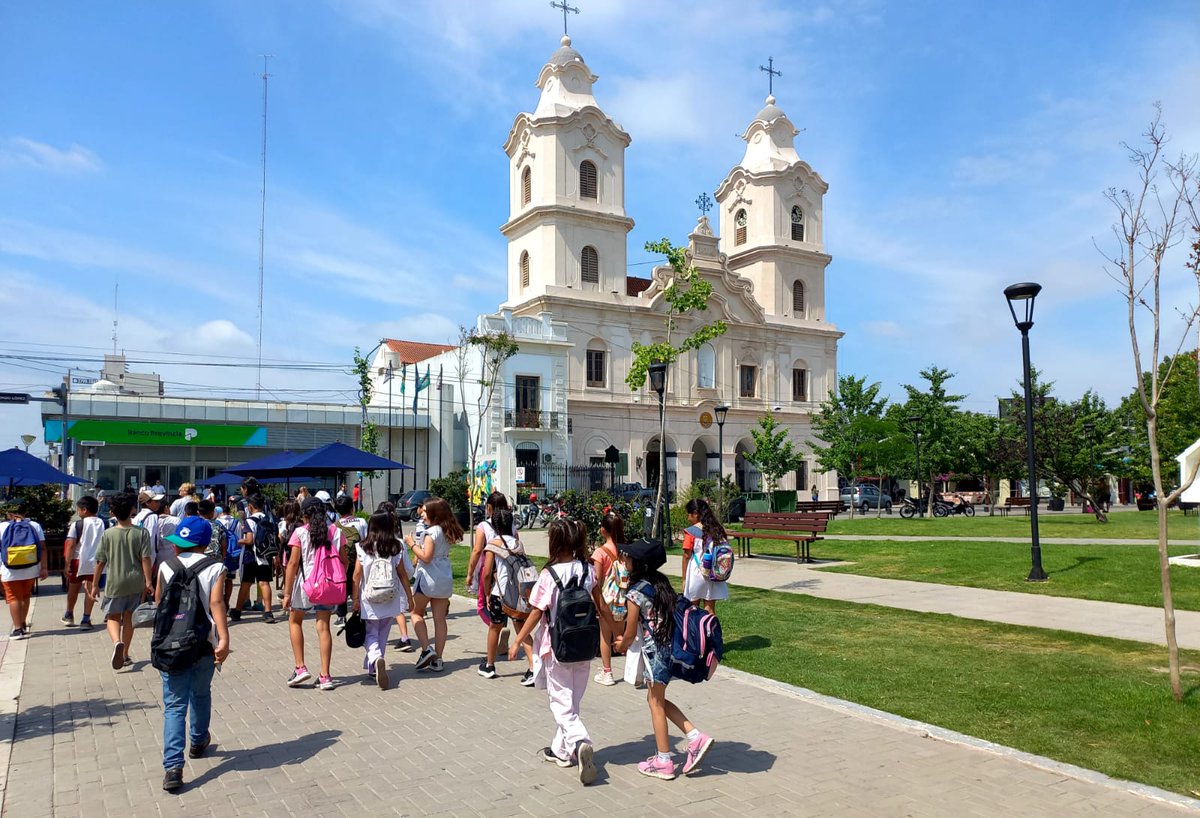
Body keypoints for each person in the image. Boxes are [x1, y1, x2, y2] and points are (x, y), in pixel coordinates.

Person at [613, 537, 713, 780]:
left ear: (639, 563)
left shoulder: (636, 592)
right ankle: (692, 735)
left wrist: (621, 644)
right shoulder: (661, 583)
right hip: (670, 648)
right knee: (656, 698)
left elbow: (629, 631)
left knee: (655, 703)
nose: (624, 558)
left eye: (628, 556)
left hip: (655, 652)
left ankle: (664, 760)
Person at [508, 517, 597, 785]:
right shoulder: (588, 570)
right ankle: (561, 751)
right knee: (573, 701)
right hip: (585, 646)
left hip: (557, 646)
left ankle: (581, 741)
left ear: (555, 542)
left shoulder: (549, 575)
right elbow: (600, 604)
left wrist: (517, 641)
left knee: (560, 701)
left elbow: (536, 613)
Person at [155, 515, 230, 793]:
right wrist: (223, 637)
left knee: (174, 705)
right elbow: (217, 602)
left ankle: (173, 767)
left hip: (171, 644)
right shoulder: (216, 567)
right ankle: (198, 742)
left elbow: (159, 601)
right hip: (203, 643)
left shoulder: (165, 565)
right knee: (201, 693)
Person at [283, 497, 343, 690]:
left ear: (305, 514)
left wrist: (286, 593)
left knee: (295, 621)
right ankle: (325, 676)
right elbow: (344, 559)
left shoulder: (300, 532)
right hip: (326, 584)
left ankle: (300, 667)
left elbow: (292, 564)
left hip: (304, 585)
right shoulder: (335, 531)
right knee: (323, 626)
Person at [89, 491, 153, 669]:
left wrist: (95, 585)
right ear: (133, 510)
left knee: (113, 616)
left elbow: (100, 562)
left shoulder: (108, 534)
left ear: (112, 512)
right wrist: (148, 582)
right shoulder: (141, 533)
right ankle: (125, 654)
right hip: (136, 582)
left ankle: (117, 642)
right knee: (130, 618)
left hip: (114, 582)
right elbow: (146, 559)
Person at [350, 511, 414, 690]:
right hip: (390, 597)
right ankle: (374, 668)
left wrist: (354, 598)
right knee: (383, 633)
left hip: (369, 598)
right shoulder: (396, 547)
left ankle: (377, 658)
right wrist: (409, 597)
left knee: (370, 634)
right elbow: (402, 575)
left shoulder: (363, 547)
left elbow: (356, 576)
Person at [477, 508, 535, 683]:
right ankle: (533, 667)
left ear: (494, 525)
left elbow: (487, 573)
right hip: (517, 593)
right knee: (521, 628)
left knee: (495, 627)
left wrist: (487, 593)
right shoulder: (518, 544)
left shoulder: (493, 544)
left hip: (499, 593)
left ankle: (489, 665)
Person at [404, 497, 461, 673]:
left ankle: (426, 649)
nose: (422, 514)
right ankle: (439, 659)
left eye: (426, 511)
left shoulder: (432, 532)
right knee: (440, 619)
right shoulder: (446, 530)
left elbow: (426, 557)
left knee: (415, 612)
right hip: (444, 577)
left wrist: (411, 544)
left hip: (428, 578)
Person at [467, 492, 511, 656]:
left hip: (488, 569)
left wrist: (470, 573)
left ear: (489, 508)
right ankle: (501, 639)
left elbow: (477, 550)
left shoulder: (484, 526)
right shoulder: (511, 525)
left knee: (482, 606)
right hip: (507, 570)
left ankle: (498, 629)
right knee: (503, 604)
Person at [0, 501, 48, 639]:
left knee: (14, 598)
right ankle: (22, 622)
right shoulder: (34, 525)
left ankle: (17, 629)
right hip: (31, 567)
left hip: (9, 568)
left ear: (9, 513)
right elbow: (43, 547)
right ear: (26, 512)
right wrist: (44, 568)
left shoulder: (2, 526)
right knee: (25, 596)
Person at [591, 512, 626, 686]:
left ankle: (607, 672)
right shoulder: (625, 550)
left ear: (604, 530)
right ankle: (632, 668)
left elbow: (596, 579)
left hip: (607, 600)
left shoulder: (600, 552)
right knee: (621, 634)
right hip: (623, 599)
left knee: (605, 636)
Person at [233, 494, 277, 624]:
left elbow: (250, 540)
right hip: (266, 554)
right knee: (264, 583)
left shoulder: (249, 520)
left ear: (250, 506)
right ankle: (268, 613)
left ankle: (237, 611)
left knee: (246, 583)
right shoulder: (268, 519)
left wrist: (240, 541)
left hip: (251, 556)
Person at [62, 496, 105, 629]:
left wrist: (67, 564)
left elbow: (70, 544)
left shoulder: (77, 524)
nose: (78, 512)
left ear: (84, 510)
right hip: (97, 562)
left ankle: (69, 614)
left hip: (77, 560)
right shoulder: (105, 523)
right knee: (91, 589)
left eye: (78, 510)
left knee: (73, 588)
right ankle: (86, 619)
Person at [680, 498, 729, 615]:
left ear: (696, 514)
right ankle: (709, 632)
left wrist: (684, 579)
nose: (688, 518)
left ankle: (695, 632)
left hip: (696, 573)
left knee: (692, 608)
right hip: (713, 572)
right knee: (710, 609)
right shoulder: (717, 529)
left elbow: (686, 556)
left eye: (689, 514)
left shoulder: (691, 532)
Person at [334, 496, 366, 626]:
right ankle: (359, 613)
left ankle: (341, 616)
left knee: (342, 587)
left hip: (342, 562)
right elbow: (366, 540)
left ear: (338, 511)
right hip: (359, 560)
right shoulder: (362, 521)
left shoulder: (335, 526)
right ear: (352, 508)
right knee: (358, 586)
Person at [134, 489, 171, 573]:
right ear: (147, 503)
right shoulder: (152, 516)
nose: (158, 503)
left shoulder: (138, 516)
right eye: (156, 501)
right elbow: (149, 539)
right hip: (148, 560)